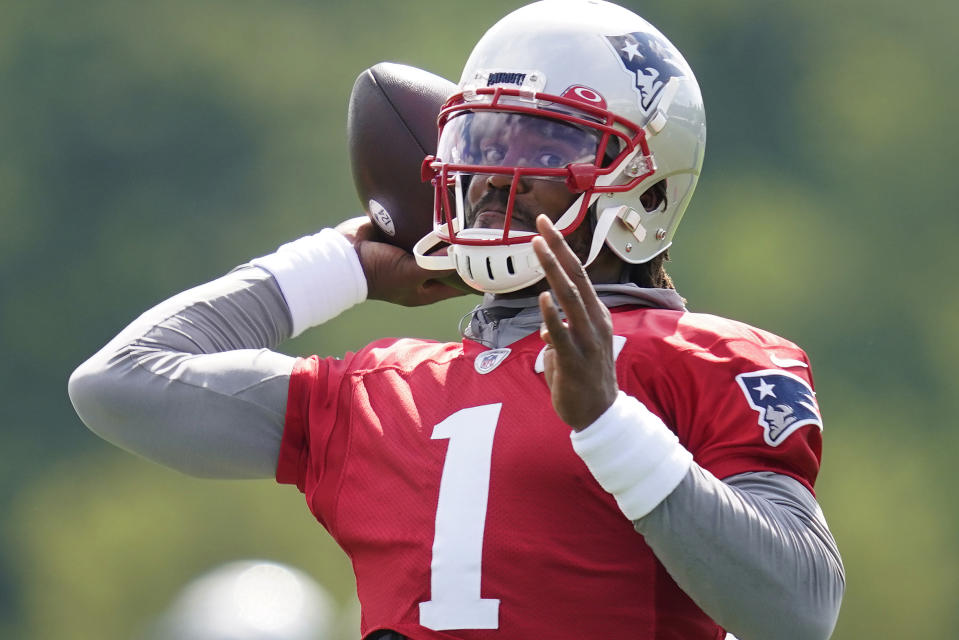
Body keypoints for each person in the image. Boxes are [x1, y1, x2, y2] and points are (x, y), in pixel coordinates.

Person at [68, 1, 845, 639]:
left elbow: (798, 610)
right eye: (481, 138)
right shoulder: (381, 390)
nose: (490, 174)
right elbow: (119, 385)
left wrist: (610, 427)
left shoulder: (704, 358)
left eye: (541, 144)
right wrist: (343, 263)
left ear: (645, 186)